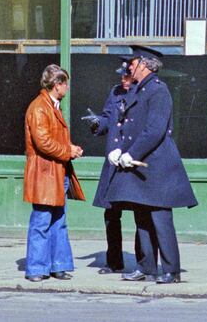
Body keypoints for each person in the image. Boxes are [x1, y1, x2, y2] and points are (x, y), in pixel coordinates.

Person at [105, 45, 197, 284]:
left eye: (132, 63)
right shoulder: (139, 89)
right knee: (141, 217)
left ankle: (171, 270)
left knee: (160, 218)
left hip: (156, 164)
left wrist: (130, 152)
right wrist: (119, 150)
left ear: (145, 64)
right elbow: (128, 124)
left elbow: (154, 130)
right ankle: (146, 267)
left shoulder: (158, 91)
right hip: (137, 162)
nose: (128, 67)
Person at [23, 64, 85, 282]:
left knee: (59, 220)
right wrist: (69, 150)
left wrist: (70, 149)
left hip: (57, 172)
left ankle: (58, 265)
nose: (67, 87)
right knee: (42, 221)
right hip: (45, 173)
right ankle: (36, 268)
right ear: (57, 85)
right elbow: (43, 143)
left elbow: (52, 140)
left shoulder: (53, 106)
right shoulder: (39, 107)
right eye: (65, 83)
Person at [82, 60, 140, 274]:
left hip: (132, 159)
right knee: (111, 213)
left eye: (127, 76)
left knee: (140, 213)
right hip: (114, 162)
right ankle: (113, 261)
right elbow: (108, 117)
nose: (123, 80)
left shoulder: (142, 93)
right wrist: (98, 123)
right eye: (122, 77)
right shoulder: (115, 92)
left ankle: (143, 263)